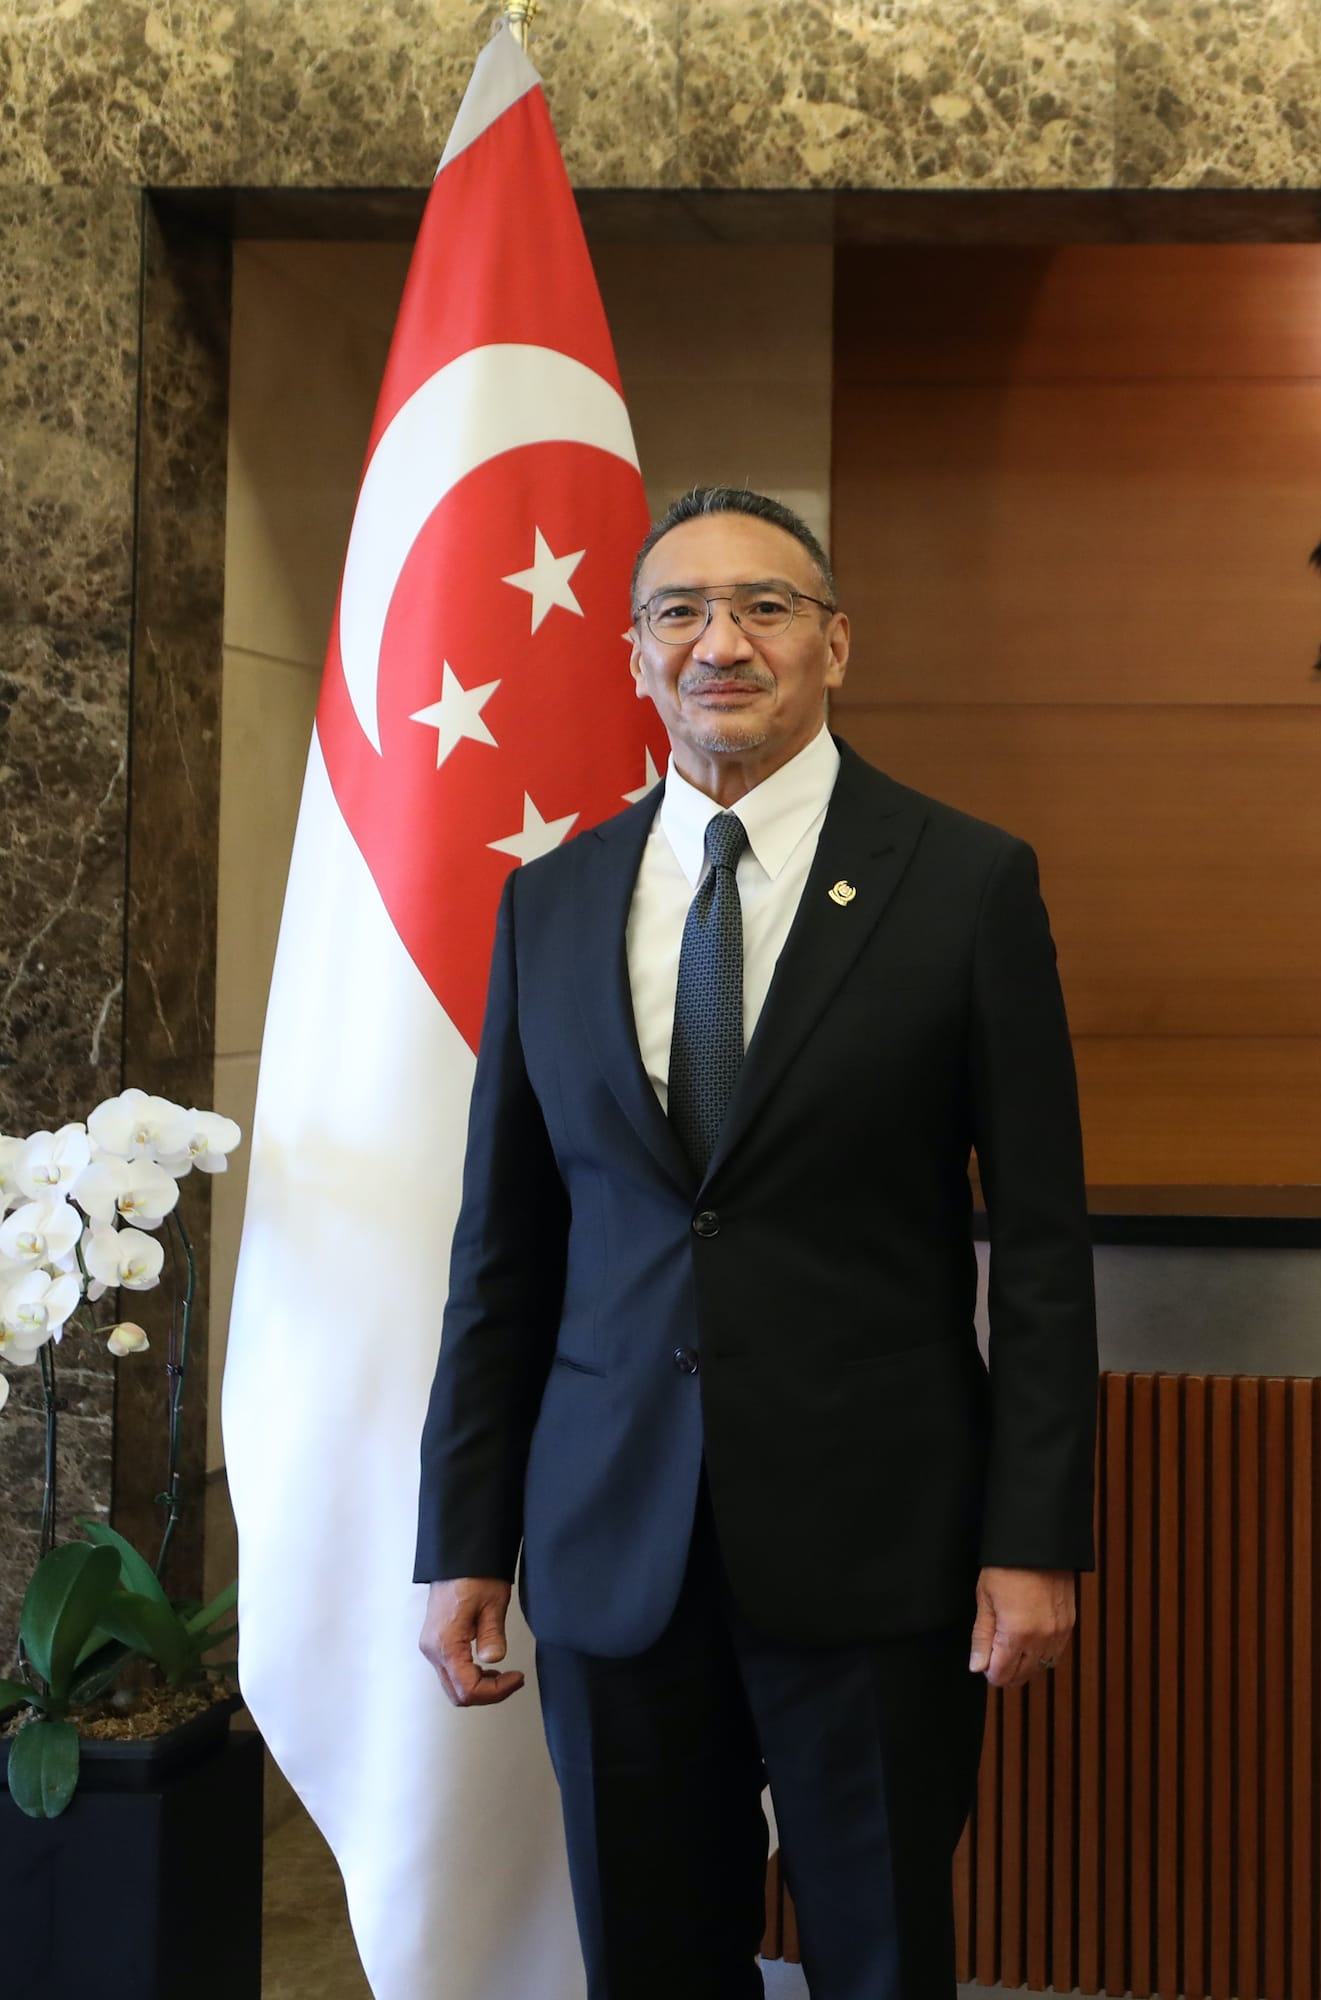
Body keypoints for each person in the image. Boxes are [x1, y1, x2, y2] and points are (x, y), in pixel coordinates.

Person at [412, 485, 1099, 1999]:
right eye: (682, 612)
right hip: (607, 1538)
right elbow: (504, 1249)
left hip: (881, 1539)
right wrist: (465, 1536)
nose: (722, 641)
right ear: (636, 657)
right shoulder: (550, 904)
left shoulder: (967, 883)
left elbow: (1042, 1245)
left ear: (835, 643)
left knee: (881, 1952)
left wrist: (1033, 1535)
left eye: (766, 607)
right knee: (651, 1962)